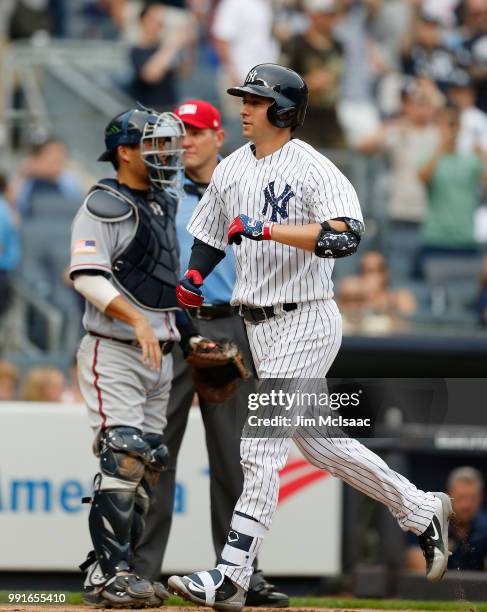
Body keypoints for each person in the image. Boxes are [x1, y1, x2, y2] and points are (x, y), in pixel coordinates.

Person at [166, 63, 453, 612]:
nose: (244, 108)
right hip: (258, 324)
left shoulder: (314, 169)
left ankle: (231, 577)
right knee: (318, 444)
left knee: (259, 445)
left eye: (255, 100)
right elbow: (207, 234)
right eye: (244, 99)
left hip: (305, 317)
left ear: (282, 110)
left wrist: (267, 229)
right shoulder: (233, 169)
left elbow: (347, 237)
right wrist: (195, 277)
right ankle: (420, 509)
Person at [133, 99, 289, 607]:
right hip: (174, 327)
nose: (187, 142)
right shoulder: (159, 191)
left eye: (197, 132)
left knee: (236, 457)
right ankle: (140, 573)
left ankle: (239, 573)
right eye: (181, 133)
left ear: (218, 136)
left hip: (233, 322)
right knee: (158, 453)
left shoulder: (249, 182)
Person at [70, 106, 188, 607]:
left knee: (149, 462)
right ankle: (113, 573)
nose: (164, 152)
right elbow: (86, 274)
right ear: (124, 151)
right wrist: (135, 320)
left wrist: (184, 333)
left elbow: (163, 281)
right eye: (151, 144)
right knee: (124, 452)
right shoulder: (103, 202)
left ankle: (114, 572)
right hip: (114, 348)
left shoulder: (163, 202)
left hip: (159, 353)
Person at [417, 105, 486, 275]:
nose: (449, 130)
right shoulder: (429, 158)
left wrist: (482, 153)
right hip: (435, 239)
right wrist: (442, 145)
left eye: (452, 124)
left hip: (465, 239)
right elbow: (423, 176)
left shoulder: (471, 160)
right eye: (443, 124)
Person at [280, 0, 345, 148]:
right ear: (312, 16)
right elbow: (279, 83)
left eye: (332, 15)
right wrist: (308, 83)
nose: (330, 20)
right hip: (302, 121)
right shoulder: (295, 44)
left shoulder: (339, 46)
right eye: (325, 15)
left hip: (331, 119)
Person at [406, 467, 487, 572]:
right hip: (439, 586)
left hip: (477, 587)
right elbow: (413, 556)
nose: (466, 505)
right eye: (460, 498)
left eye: (472, 499)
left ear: (480, 498)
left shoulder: (485, 527)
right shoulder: (429, 521)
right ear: (448, 496)